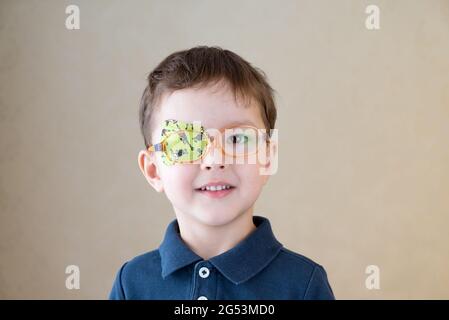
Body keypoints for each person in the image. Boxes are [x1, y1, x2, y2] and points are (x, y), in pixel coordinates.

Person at [109, 46, 335, 300]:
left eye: (238, 138)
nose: (215, 159)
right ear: (154, 170)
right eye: (184, 142)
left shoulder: (302, 284)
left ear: (268, 157)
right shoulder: (131, 284)